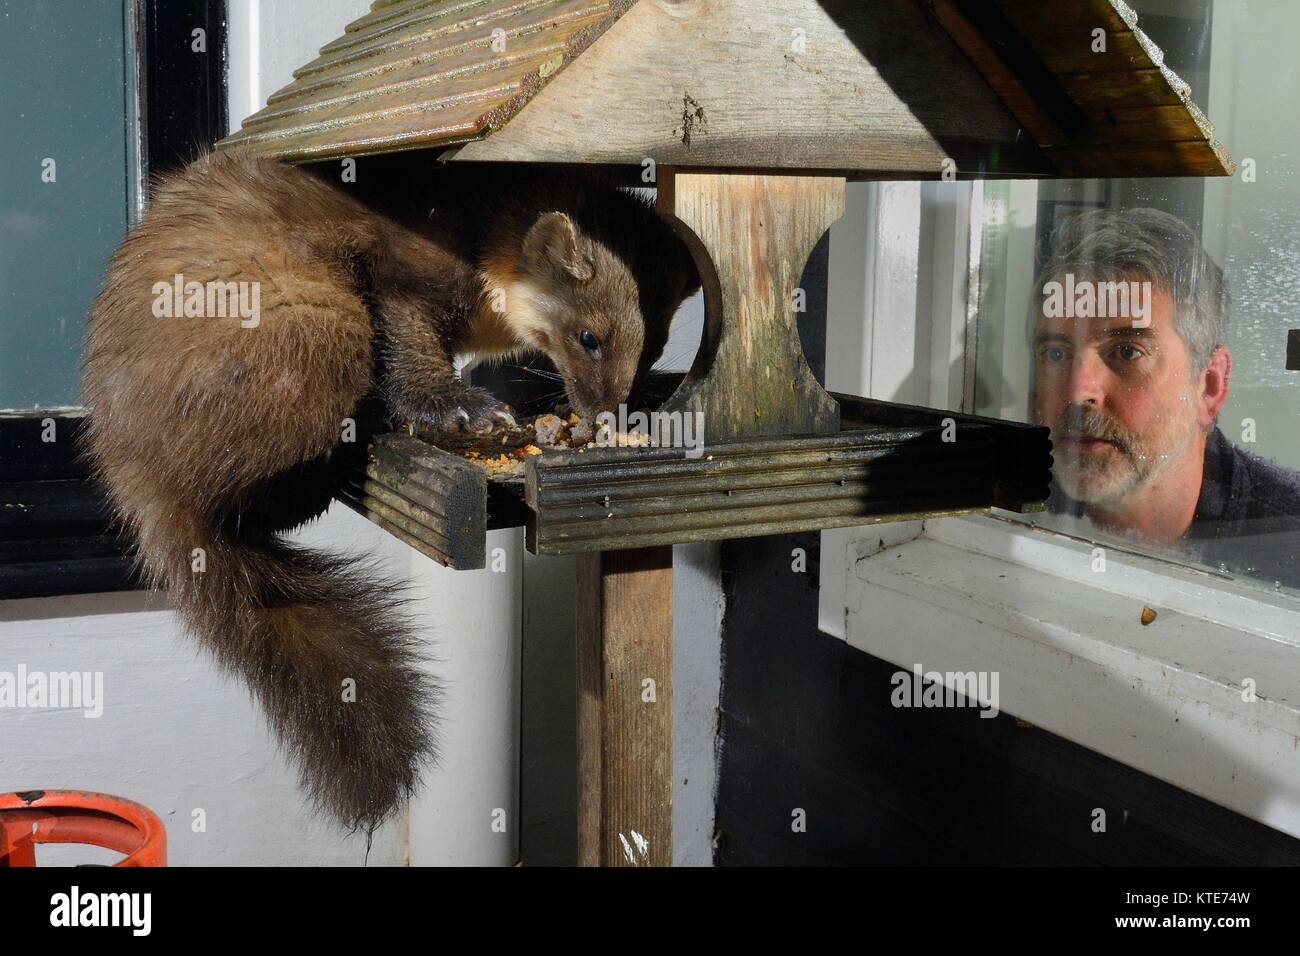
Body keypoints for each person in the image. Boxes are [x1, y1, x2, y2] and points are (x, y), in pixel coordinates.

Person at [1031, 208, 1300, 588]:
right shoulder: (1005, 507)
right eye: (1056, 353)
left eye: (1127, 352)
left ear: (1209, 385)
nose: (1078, 392)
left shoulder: (1287, 540)